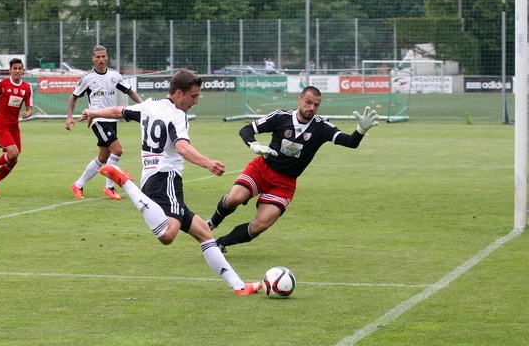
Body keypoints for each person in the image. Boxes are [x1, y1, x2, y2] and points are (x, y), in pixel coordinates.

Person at [79, 68, 261, 296]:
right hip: (167, 178)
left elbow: (118, 111)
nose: (196, 101)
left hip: (153, 179)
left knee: (204, 232)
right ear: (178, 93)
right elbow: (182, 147)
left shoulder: (149, 106)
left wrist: (94, 113)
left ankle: (239, 286)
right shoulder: (177, 115)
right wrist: (208, 163)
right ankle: (125, 182)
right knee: (167, 234)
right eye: (193, 96)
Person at [206, 86, 379, 252]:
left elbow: (350, 142)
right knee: (234, 198)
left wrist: (361, 129)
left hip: (285, 183)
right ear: (299, 100)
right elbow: (246, 129)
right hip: (262, 169)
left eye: (316, 105)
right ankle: (211, 224)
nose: (311, 108)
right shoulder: (281, 116)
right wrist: (254, 145)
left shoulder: (321, 127)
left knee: (261, 224)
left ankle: (220, 243)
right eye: (308, 102)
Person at [65, 45, 142, 200]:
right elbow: (73, 97)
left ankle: (78, 184)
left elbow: (130, 92)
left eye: (103, 56)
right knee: (118, 150)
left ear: (107, 57)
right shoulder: (88, 78)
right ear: (93, 59)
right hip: (98, 120)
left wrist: (144, 106)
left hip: (112, 119)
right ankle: (109, 187)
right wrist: (69, 117)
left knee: (103, 157)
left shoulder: (115, 76)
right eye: (97, 57)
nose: (101, 60)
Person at [0, 58, 33, 197]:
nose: (17, 71)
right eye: (15, 68)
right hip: (1, 124)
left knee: (14, 159)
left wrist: (28, 112)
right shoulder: (2, 83)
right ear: (10, 70)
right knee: (13, 153)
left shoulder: (27, 87)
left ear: (23, 70)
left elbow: (29, 108)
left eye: (19, 68)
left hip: (14, 125)